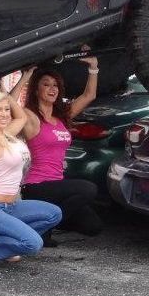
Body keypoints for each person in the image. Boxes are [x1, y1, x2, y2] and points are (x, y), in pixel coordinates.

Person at [0, 70, 62, 267]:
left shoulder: (8, 134)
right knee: (33, 244)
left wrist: (7, 95)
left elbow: (21, 117)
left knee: (54, 213)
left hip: (10, 207)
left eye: (6, 110)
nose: (5, 114)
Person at [10, 52, 103, 245]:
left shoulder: (63, 116)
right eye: (46, 84)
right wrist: (26, 77)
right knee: (88, 189)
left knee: (93, 227)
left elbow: (89, 95)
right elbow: (10, 104)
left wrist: (93, 67)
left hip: (57, 185)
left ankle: (40, 223)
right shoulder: (31, 117)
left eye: (55, 85)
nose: (52, 88)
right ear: (36, 90)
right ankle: (42, 228)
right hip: (36, 187)